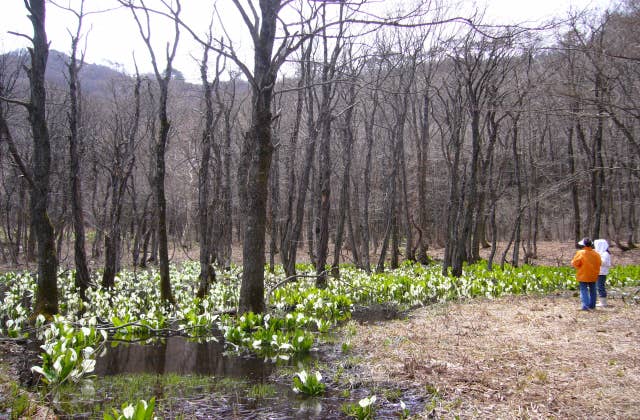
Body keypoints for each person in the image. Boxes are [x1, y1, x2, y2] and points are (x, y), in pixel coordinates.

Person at [571, 237, 601, 311]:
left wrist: (577, 267)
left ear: (584, 245)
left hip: (583, 274)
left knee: (583, 290)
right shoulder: (596, 253)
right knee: (593, 289)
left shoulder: (580, 253)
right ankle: (592, 305)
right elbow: (599, 263)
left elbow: (575, 263)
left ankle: (585, 305)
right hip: (593, 274)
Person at [594, 239, 612, 307]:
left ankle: (603, 302)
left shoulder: (605, 254)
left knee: (600, 286)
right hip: (599, 272)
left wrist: (596, 259)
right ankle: (601, 300)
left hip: (602, 272)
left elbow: (603, 262)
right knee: (598, 286)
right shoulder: (601, 253)